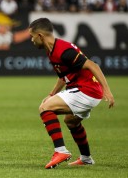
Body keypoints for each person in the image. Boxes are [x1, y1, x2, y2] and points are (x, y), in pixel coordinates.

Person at [28, 18, 114, 169]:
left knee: (45, 108)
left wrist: (107, 90)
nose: (31, 40)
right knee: (71, 121)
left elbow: (92, 65)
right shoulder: (52, 49)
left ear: (40, 36)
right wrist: (52, 93)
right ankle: (86, 158)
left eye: (32, 36)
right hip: (87, 90)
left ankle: (60, 151)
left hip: (87, 90)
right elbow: (64, 75)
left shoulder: (64, 51)